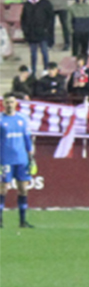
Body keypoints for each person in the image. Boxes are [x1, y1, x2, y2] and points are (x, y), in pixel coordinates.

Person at [0, 94, 36, 228]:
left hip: (21, 159)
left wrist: (30, 153)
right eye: (7, 102)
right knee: (3, 189)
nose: (10, 105)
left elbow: (27, 138)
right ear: (3, 104)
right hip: (5, 159)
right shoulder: (1, 120)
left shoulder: (22, 119)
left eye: (12, 102)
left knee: (23, 189)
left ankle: (23, 221)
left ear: (16, 104)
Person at [21, 0, 55, 77]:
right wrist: (26, 31)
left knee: (44, 52)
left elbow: (50, 18)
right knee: (33, 54)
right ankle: (33, 70)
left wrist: (47, 29)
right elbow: (23, 19)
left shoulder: (45, 3)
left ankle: (45, 69)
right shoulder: (27, 4)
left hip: (43, 32)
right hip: (31, 33)